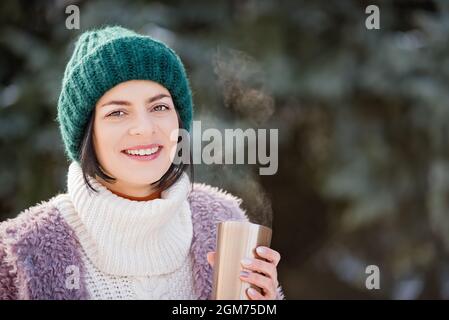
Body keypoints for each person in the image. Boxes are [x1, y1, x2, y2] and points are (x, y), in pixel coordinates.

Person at [0, 26, 284, 300]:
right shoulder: (22, 252)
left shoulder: (221, 220)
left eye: (159, 107)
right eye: (118, 113)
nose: (144, 128)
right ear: (87, 133)